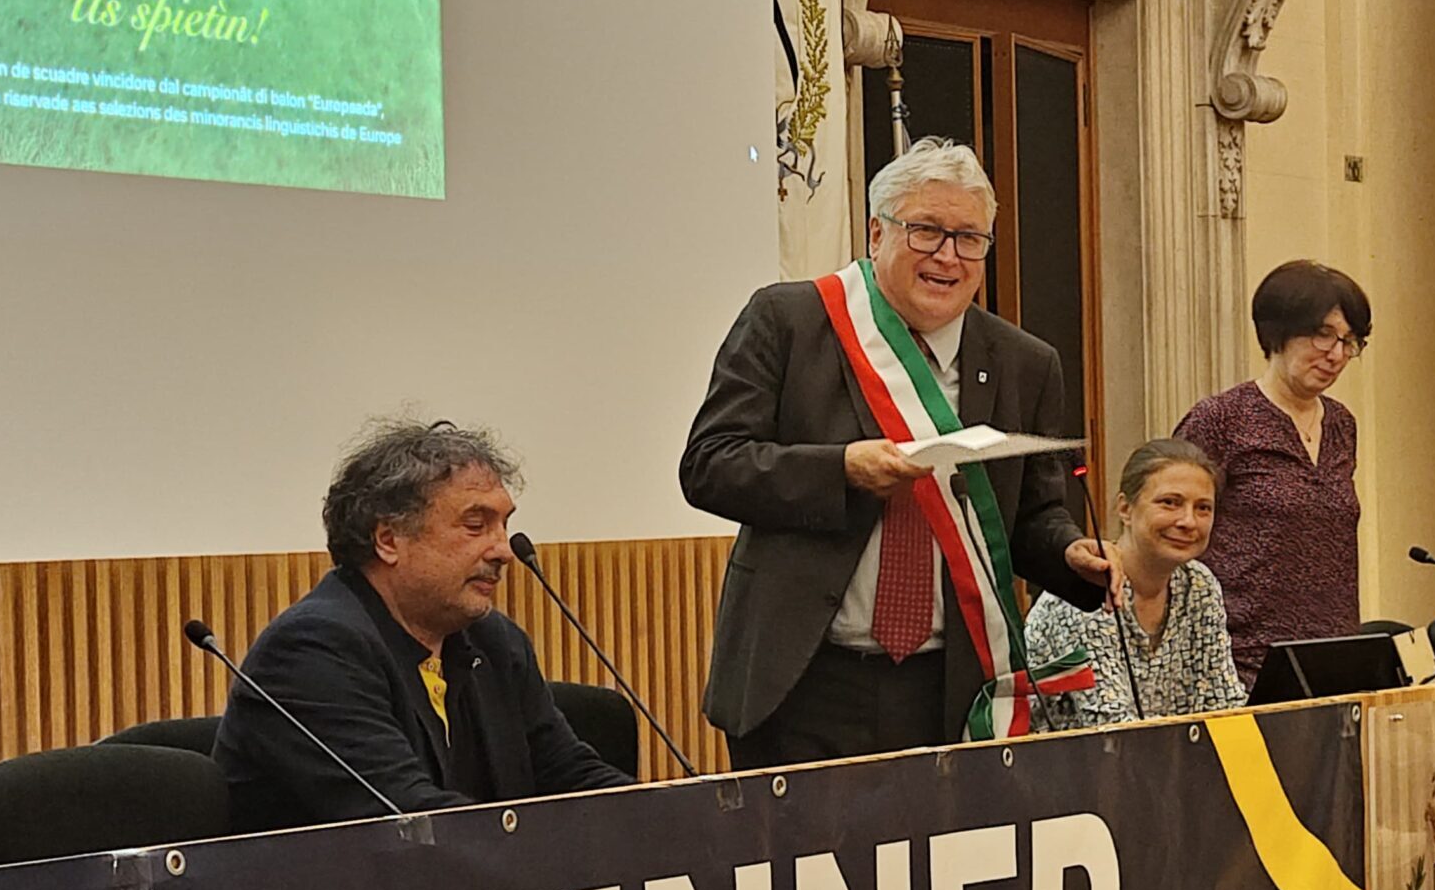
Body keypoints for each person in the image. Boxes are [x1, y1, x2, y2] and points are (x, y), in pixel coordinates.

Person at [680, 136, 1117, 768]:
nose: (949, 256)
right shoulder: (792, 321)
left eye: (970, 238)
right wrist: (840, 470)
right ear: (876, 234)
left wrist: (1070, 551)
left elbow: (1030, 516)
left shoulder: (1027, 363)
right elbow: (710, 465)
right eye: (927, 231)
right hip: (803, 681)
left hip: (952, 688)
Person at [213, 419, 633, 831]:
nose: (503, 550)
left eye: (505, 525)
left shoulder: (495, 642)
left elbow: (569, 777)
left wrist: (677, 815)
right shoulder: (312, 650)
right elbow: (412, 822)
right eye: (476, 526)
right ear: (389, 540)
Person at [1174, 259, 1372, 688]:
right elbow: (1172, 533)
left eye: (1349, 341)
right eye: (1323, 334)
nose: (1336, 354)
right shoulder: (1221, 418)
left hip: (1332, 661)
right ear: (1278, 330)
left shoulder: (1342, 424)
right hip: (1240, 663)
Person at [1026, 439, 1247, 728]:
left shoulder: (1200, 585)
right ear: (1125, 509)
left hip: (1168, 764)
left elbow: (1225, 705)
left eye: (1203, 508)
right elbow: (1109, 724)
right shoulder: (1086, 588)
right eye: (1170, 503)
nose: (1188, 521)